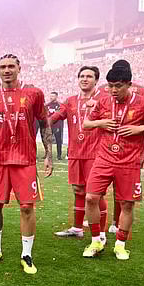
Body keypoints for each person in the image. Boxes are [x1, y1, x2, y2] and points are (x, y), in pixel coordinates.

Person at [0, 54, 54, 274]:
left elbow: (44, 124)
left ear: (19, 68)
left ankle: (26, 254)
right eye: (3, 67)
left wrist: (49, 154)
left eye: (11, 66)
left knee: (27, 206)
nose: (7, 70)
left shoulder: (33, 93)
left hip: (25, 159)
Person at [79, 60, 144, 262]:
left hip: (129, 161)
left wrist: (140, 129)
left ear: (129, 84)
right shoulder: (103, 101)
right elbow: (87, 124)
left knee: (127, 204)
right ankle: (96, 240)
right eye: (110, 86)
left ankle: (121, 244)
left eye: (118, 86)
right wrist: (101, 123)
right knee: (90, 198)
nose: (113, 90)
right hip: (104, 158)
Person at [50, 65, 105, 239]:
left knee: (95, 193)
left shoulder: (104, 99)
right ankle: (77, 228)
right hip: (75, 152)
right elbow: (56, 116)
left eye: (89, 76)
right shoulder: (71, 101)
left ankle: (101, 233)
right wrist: (42, 122)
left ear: (96, 80)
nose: (84, 79)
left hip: (96, 153)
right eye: (82, 76)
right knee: (78, 189)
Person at [46, 91, 64, 160]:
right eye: (50, 96)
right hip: (49, 126)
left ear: (56, 97)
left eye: (53, 96)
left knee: (58, 141)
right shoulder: (47, 105)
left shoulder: (60, 105)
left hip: (57, 126)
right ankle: (48, 155)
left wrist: (59, 125)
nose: (51, 97)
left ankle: (59, 155)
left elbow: (61, 115)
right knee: (48, 141)